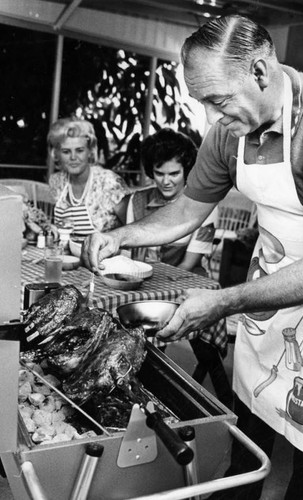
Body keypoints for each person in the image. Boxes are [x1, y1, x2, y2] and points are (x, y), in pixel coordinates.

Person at [82, 14, 303, 500]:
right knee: (246, 442)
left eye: (217, 100)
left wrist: (224, 301)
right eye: (201, 101)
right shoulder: (230, 127)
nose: (210, 118)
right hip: (266, 305)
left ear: (261, 72)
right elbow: (187, 206)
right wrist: (124, 233)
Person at [116, 128, 233, 407]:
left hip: (188, 284)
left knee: (206, 354)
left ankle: (222, 403)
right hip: (144, 285)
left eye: (174, 173)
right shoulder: (137, 201)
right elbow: (127, 252)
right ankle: (143, 398)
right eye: (159, 173)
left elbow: (188, 264)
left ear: (187, 171)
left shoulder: (205, 206)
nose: (166, 181)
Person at [48, 117, 130, 239]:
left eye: (80, 150)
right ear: (56, 154)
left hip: (106, 256)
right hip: (66, 256)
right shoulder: (57, 181)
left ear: (90, 151)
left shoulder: (108, 182)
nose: (73, 157)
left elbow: (131, 226)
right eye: (66, 152)